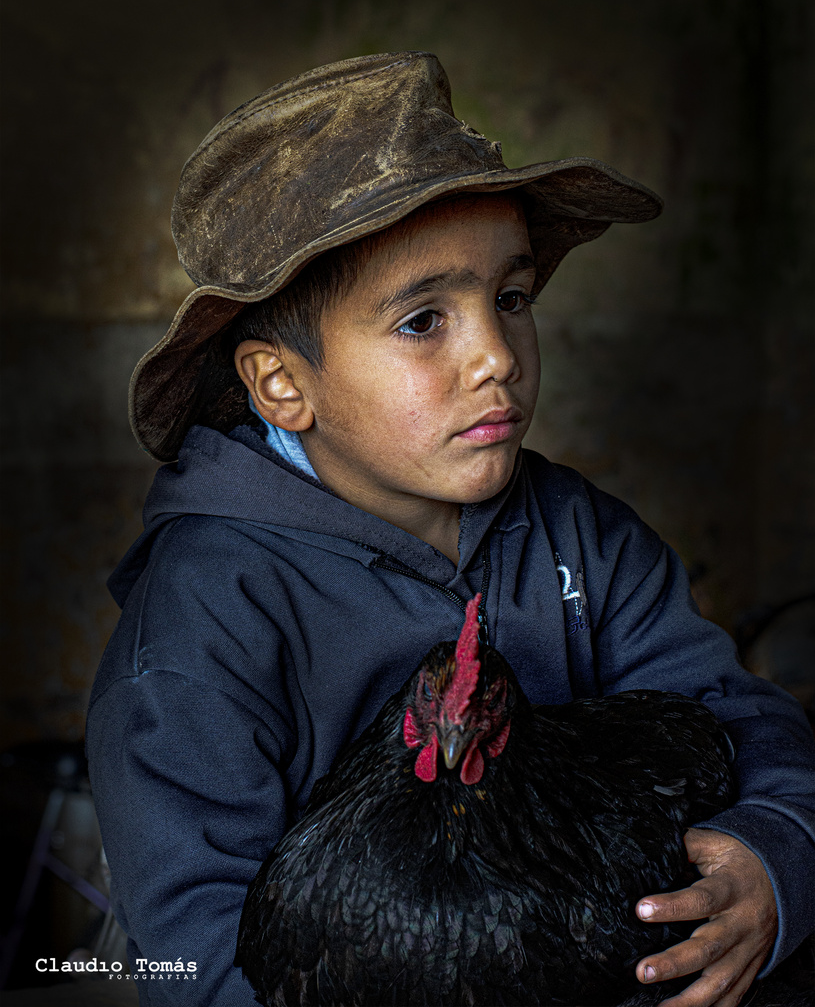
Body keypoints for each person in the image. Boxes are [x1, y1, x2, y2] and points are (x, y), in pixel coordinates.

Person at [86, 52, 815, 1006]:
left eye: (509, 300)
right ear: (281, 385)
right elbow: (189, 939)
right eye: (423, 320)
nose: (495, 357)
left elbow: (733, 716)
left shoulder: (581, 536)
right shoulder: (204, 616)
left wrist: (771, 857)